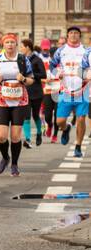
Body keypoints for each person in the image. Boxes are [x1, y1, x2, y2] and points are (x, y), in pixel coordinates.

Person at [0, 32, 32, 176]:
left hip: (19, 100)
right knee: (1, 137)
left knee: (15, 137)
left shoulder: (22, 59)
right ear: (3, 44)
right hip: (2, 99)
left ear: (16, 44)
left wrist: (24, 79)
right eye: (7, 42)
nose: (10, 45)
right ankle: (5, 157)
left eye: (12, 42)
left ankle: (14, 164)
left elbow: (32, 79)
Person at [51, 25, 91, 157]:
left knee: (81, 119)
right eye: (71, 33)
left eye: (76, 33)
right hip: (66, 90)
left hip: (83, 89)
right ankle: (66, 128)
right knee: (59, 121)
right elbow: (52, 65)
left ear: (80, 36)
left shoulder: (86, 51)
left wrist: (87, 74)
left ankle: (78, 146)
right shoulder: (61, 50)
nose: (73, 35)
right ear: (68, 36)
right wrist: (57, 73)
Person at [21, 39, 46, 147]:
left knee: (35, 115)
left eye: (22, 46)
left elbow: (43, 74)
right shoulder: (20, 59)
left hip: (36, 92)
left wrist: (31, 74)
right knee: (26, 116)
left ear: (27, 47)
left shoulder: (37, 60)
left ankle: (39, 133)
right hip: (24, 91)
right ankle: (27, 139)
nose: (21, 49)